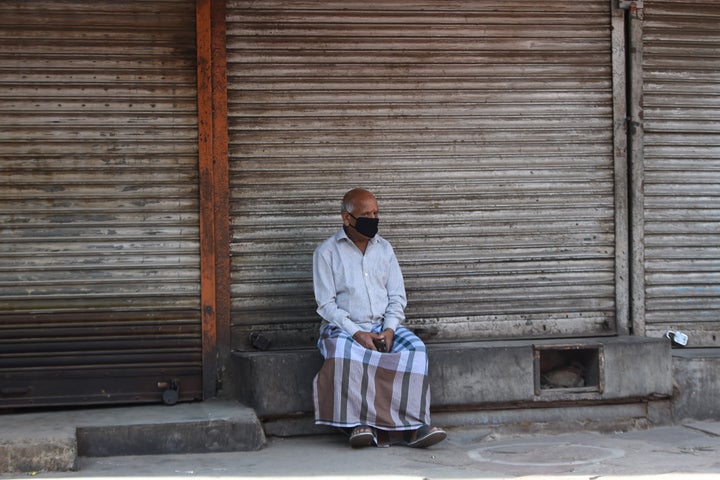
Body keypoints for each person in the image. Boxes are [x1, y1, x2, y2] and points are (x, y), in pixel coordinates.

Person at [312, 188, 446, 448]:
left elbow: (397, 297)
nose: (372, 219)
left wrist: (390, 330)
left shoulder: (384, 249)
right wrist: (357, 333)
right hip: (343, 328)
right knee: (344, 355)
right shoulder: (326, 252)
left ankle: (415, 427)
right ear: (346, 218)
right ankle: (359, 425)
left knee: (416, 351)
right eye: (366, 214)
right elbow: (326, 305)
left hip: (383, 326)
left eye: (376, 213)